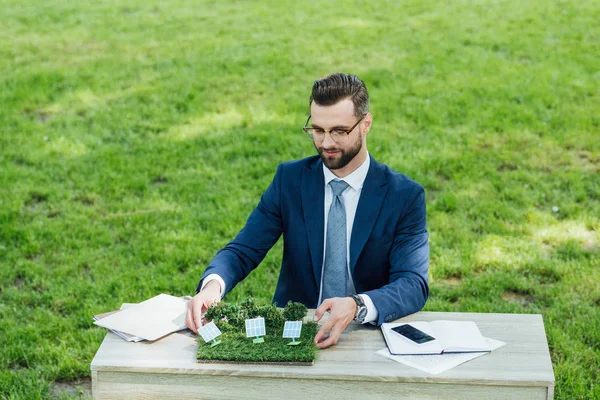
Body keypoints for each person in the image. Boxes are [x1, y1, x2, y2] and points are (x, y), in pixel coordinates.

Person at [185, 73, 429, 349]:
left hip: (365, 333)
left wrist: (357, 304)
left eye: (339, 131)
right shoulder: (289, 180)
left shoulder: (404, 195)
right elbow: (243, 250)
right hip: (294, 330)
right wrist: (212, 287)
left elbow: (412, 283)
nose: (326, 143)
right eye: (317, 129)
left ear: (366, 124)